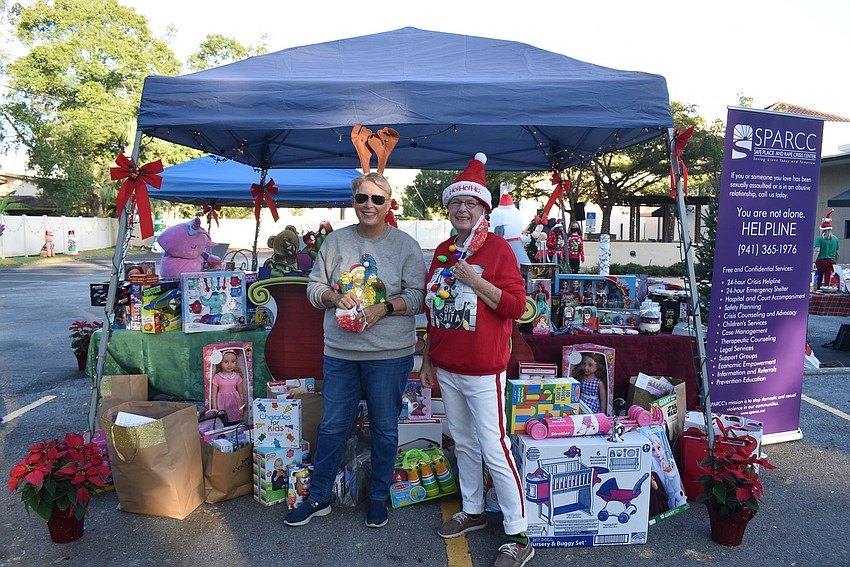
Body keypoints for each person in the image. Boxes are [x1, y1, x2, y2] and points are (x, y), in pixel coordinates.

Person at [284, 172, 426, 530]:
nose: (369, 205)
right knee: (332, 426)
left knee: (384, 427)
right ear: (353, 201)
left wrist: (384, 308)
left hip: (389, 353)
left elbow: (418, 297)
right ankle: (318, 497)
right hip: (341, 352)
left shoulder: (405, 245)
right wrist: (333, 296)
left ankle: (378, 498)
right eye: (363, 198)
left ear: (389, 204)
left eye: (378, 200)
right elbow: (314, 288)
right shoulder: (334, 242)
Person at [419, 153, 534, 567]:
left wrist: (476, 280)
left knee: (494, 446)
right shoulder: (444, 250)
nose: (462, 209)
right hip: (446, 365)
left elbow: (517, 307)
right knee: (463, 442)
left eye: (471, 204)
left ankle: (519, 534)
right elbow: (434, 308)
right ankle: (472, 510)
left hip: (485, 368)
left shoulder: (500, 249)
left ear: (484, 209)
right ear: (448, 209)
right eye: (456, 204)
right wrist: (430, 357)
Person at [648, 433, 687, 510]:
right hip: (664, 502)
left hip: (677, 498)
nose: (657, 453)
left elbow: (673, 477)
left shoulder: (669, 463)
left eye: (658, 448)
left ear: (663, 448)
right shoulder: (653, 471)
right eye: (653, 450)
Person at [210, 350, 245, 425]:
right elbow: (214, 394)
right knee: (223, 420)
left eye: (233, 361)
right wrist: (215, 409)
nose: (230, 365)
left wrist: (242, 407)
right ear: (220, 363)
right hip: (222, 402)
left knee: (235, 422)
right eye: (226, 362)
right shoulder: (217, 377)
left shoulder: (237, 376)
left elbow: (241, 393)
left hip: (234, 402)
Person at [813, 210, 839, 290]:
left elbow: (817, 250)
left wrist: (813, 261)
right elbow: (837, 252)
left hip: (821, 260)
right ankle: (827, 290)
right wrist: (835, 261)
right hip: (832, 260)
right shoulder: (835, 239)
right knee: (827, 278)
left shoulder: (819, 239)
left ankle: (818, 290)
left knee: (819, 276)